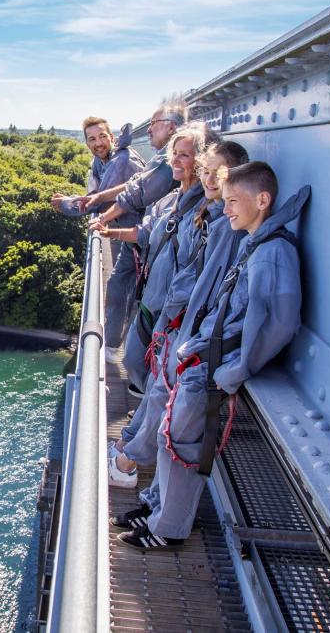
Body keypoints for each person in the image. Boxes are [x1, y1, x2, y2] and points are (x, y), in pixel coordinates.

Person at [116, 163, 310, 551]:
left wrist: (237, 369)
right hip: (204, 357)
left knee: (180, 444)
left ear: (263, 200)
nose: (229, 209)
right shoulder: (256, 243)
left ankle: (167, 529)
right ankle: (156, 506)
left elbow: (279, 321)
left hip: (213, 366)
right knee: (170, 435)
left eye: (234, 201)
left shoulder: (270, 253)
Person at [107, 140, 249, 490]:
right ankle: (128, 445)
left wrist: (182, 324)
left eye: (219, 172)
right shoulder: (193, 207)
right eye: (208, 170)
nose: (211, 178)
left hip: (186, 327)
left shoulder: (219, 222)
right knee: (157, 388)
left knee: (165, 397)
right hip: (173, 320)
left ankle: (129, 462)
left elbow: (204, 280)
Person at [91, 125, 213, 395]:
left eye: (185, 155)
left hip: (172, 312)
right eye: (175, 153)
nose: (176, 160)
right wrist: (109, 230)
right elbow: (143, 233)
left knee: (156, 372)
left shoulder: (205, 212)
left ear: (201, 161)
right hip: (151, 300)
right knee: (137, 361)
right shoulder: (169, 201)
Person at [81, 98, 186, 360]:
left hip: (150, 236)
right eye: (91, 139)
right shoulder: (159, 158)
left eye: (154, 125)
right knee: (125, 287)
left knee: (128, 289)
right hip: (147, 232)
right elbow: (135, 184)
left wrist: (102, 216)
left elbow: (136, 191)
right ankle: (119, 348)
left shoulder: (155, 160)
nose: (148, 130)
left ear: (171, 127)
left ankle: (121, 352)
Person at [50, 117, 144, 228]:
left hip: (138, 230)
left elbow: (101, 203)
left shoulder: (121, 160)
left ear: (112, 138)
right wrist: (70, 198)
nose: (98, 143)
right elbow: (95, 194)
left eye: (103, 136)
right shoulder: (98, 160)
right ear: (87, 144)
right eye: (92, 139)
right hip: (124, 226)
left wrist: (66, 204)